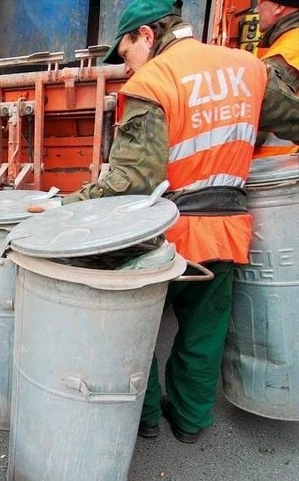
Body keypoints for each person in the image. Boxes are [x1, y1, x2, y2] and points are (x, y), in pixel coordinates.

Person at [62, 0, 299, 443]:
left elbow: (133, 180)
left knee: (138, 331)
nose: (126, 65)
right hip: (226, 230)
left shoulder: (154, 81)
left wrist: (68, 204)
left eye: (126, 51)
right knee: (203, 332)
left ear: (147, 36)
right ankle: (190, 422)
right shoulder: (248, 67)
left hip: (165, 238)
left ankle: (147, 417)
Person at [253, 0, 299, 157]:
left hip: (279, 168)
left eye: (261, 2)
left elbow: (257, 111)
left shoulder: (288, 50)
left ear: (279, 7)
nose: (257, 8)